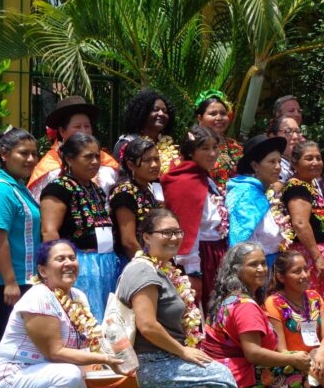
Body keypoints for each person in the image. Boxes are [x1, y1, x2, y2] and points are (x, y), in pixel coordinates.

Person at [0, 240, 124, 388]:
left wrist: (106, 374)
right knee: (68, 375)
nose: (68, 263)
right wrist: (104, 359)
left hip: (47, 374)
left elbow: (83, 347)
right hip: (12, 377)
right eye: (60, 259)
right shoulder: (39, 297)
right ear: (43, 270)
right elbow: (55, 353)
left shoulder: (77, 296)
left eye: (72, 258)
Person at [113, 209, 239, 388]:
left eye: (177, 232)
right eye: (166, 232)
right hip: (144, 365)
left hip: (166, 359)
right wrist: (183, 352)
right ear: (146, 237)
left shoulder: (163, 269)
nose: (174, 238)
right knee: (221, 380)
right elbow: (147, 326)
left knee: (222, 379)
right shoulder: (143, 271)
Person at [202, 242, 316, 388]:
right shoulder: (245, 306)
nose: (261, 269)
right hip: (236, 383)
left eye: (263, 263)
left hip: (222, 377)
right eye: (253, 264)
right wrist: (293, 359)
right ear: (237, 270)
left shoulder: (230, 298)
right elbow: (253, 353)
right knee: (293, 368)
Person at [0, 128, 42, 388]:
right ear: (4, 154)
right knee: (2, 338)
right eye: (23, 153)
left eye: (34, 154)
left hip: (24, 277)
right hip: (6, 281)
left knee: (17, 339)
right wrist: (10, 282)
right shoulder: (0, 190)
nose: (31, 159)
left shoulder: (18, 186)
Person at [40, 132, 119, 321]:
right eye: (88, 157)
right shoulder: (58, 188)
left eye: (97, 156)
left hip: (106, 264)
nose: (95, 162)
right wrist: (58, 269)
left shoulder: (95, 188)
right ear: (69, 159)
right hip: (81, 267)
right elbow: (49, 231)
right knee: (85, 319)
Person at [283, 141, 324, 336]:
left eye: (318, 158)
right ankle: (316, 341)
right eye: (309, 158)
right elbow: (300, 223)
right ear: (295, 163)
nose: (315, 162)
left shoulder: (310, 185)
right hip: (316, 256)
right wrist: (318, 258)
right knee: (314, 301)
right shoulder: (297, 188)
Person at [161, 125, 228, 310]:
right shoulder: (185, 182)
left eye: (215, 147)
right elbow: (188, 230)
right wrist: (194, 272)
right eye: (205, 148)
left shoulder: (203, 177)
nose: (212, 153)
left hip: (215, 254)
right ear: (191, 152)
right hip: (202, 257)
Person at [264, 250, 324, 388]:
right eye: (297, 271)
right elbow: (281, 350)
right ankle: (321, 386)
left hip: (318, 356)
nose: (304, 275)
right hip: (295, 362)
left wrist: (321, 352)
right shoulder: (273, 303)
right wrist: (316, 372)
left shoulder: (314, 297)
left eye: (306, 269)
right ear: (281, 277)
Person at [28, 96, 120, 201]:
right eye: (77, 127)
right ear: (62, 131)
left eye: (87, 126)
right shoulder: (49, 168)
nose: (84, 132)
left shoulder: (107, 163)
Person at [226, 134, 290, 263]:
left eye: (279, 161)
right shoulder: (246, 194)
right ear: (255, 166)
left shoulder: (262, 192)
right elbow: (241, 244)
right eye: (272, 162)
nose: (278, 167)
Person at [110, 137, 163, 261]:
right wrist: (148, 265)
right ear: (130, 165)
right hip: (133, 261)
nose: (155, 165)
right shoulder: (124, 193)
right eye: (147, 160)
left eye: (156, 159)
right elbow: (129, 242)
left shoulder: (148, 188)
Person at [113, 88, 178, 173]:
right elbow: (120, 176)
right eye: (155, 109)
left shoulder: (169, 146)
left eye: (165, 111)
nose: (161, 114)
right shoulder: (126, 144)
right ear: (143, 113)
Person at [195, 89, 243, 187]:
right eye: (213, 114)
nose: (219, 118)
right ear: (200, 118)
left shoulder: (234, 146)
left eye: (223, 113)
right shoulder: (193, 147)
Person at [268, 115, 303, 186]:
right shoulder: (269, 167)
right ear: (273, 137)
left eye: (298, 131)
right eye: (288, 131)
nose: (295, 137)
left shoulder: (303, 166)